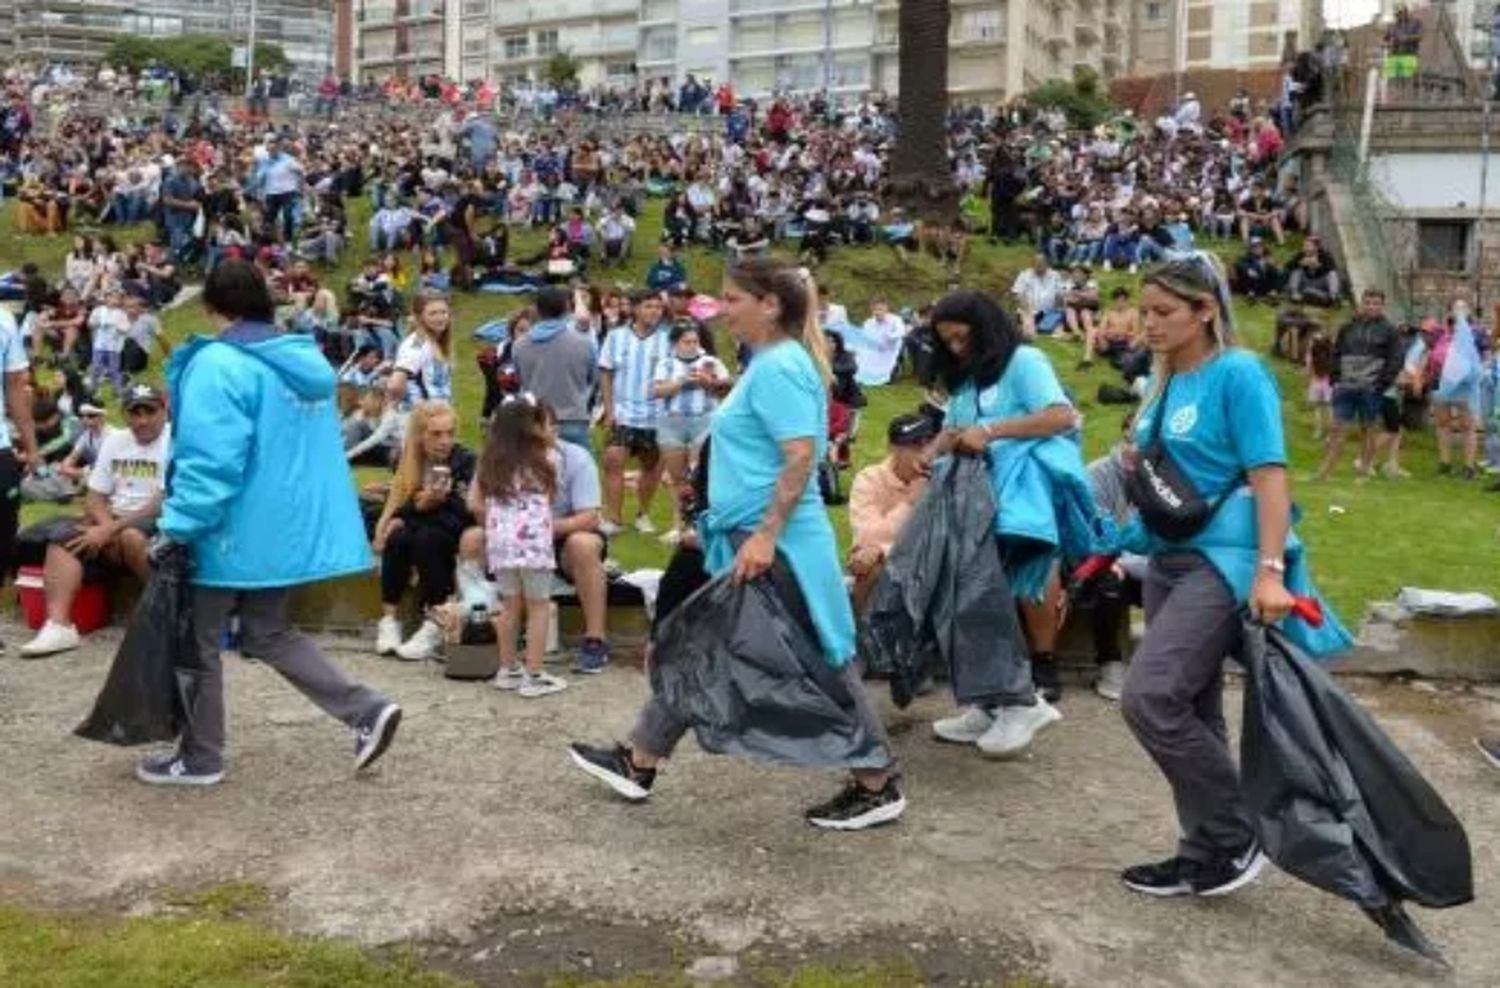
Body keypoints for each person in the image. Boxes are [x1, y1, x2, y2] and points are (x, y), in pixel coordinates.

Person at [568, 257, 906, 831]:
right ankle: (640, 759)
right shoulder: (771, 363)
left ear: (768, 305)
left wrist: (767, 536)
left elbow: (801, 457)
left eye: (731, 300)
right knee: (707, 642)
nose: (719, 311)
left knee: (822, 656)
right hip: (751, 538)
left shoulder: (779, 368)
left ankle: (876, 782)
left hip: (778, 547)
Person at [1116, 252, 1348, 897]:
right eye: (1145, 312)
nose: (1150, 324)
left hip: (1226, 560)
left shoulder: (1239, 374)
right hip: (1169, 558)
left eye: (1164, 312)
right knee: (1192, 705)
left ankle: (1239, 831)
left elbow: (1269, 474)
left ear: (1206, 311)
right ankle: (1206, 851)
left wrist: (1270, 572)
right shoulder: (1165, 383)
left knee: (1149, 698)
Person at [138, 259, 400, 786]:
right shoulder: (300, 362)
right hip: (284, 533)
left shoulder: (219, 363)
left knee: (198, 640)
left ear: (212, 307)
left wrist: (178, 527)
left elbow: (211, 459)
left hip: (228, 531)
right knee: (267, 630)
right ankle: (366, 710)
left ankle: (201, 757)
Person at [924, 290, 1083, 722]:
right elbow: (955, 427)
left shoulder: (1024, 363)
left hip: (1023, 494)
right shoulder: (967, 378)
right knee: (978, 587)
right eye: (948, 342)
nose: (956, 348)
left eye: (962, 338)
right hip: (974, 496)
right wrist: (932, 452)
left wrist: (992, 430)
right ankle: (990, 692)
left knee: (1033, 571)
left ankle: (1042, 665)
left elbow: (1060, 416)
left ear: (985, 329)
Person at [20, 385, 170, 658]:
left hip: (157, 520)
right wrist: (104, 526)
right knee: (63, 537)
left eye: (150, 411)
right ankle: (59, 625)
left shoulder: (176, 441)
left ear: (164, 410)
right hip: (112, 519)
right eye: (135, 412)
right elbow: (94, 496)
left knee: (131, 538)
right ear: (125, 414)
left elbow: (160, 502)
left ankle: (166, 615)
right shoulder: (115, 440)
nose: (142, 419)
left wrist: (109, 529)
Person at [468, 398, 568, 698]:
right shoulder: (548, 457)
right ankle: (535, 674)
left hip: (500, 542)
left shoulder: (489, 460)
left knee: (510, 605)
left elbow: (477, 500)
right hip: (533, 542)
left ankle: (507, 669)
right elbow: (550, 498)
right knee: (538, 607)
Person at [372, 402, 477, 661]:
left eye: (450, 433)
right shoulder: (410, 461)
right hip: (427, 525)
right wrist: (394, 521)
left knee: (426, 538)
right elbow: (401, 503)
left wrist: (421, 507)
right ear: (420, 436)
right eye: (436, 434)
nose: (445, 441)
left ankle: (435, 623)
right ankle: (389, 620)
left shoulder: (465, 460)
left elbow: (463, 514)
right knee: (399, 537)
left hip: (456, 531)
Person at [598, 291, 671, 535]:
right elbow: (606, 373)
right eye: (649, 306)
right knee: (613, 460)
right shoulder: (616, 336)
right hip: (624, 412)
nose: (655, 311)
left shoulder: (668, 339)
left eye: (658, 307)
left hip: (656, 414)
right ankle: (614, 519)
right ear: (635, 309)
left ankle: (642, 514)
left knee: (652, 465)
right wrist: (609, 410)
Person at [848, 413, 936, 614]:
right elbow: (867, 537)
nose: (925, 453)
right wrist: (909, 503)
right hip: (889, 558)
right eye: (915, 445)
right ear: (893, 448)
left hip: (929, 559)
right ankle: (861, 635)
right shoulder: (869, 479)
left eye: (929, 444)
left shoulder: (940, 477)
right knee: (866, 560)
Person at [651, 322, 729, 543]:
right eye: (686, 342)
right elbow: (656, 391)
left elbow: (725, 388)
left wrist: (707, 382)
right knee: (677, 478)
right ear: (675, 343)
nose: (692, 346)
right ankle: (678, 526)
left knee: (696, 476)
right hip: (671, 422)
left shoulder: (711, 362)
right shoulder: (665, 364)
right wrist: (682, 382)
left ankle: (697, 525)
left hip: (703, 420)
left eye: (695, 341)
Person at [1314, 289, 1403, 481]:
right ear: (1361, 304)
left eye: (1376, 303)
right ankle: (1324, 473)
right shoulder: (1348, 327)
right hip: (1345, 387)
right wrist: (1335, 377)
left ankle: (1363, 473)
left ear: (1382, 306)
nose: (1371, 306)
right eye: (1368, 302)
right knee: (1337, 428)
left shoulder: (1390, 331)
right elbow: (1336, 352)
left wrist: (1381, 384)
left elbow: (1396, 360)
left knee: (1369, 430)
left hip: (1371, 389)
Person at [512, 286, 597, 448]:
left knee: (538, 471)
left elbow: (520, 380)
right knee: (578, 470)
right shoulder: (584, 343)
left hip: (536, 419)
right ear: (567, 307)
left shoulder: (519, 345)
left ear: (536, 309)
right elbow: (592, 378)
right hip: (573, 418)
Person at [387, 291, 454, 409]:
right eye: (432, 313)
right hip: (421, 419)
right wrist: (420, 407)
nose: (440, 318)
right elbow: (395, 384)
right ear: (420, 316)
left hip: (437, 417)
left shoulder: (434, 341)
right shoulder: (418, 343)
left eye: (443, 312)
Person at [1082, 287, 1140, 368]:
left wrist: (1124, 334)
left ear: (1127, 301)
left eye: (1122, 301)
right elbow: (1102, 330)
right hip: (1109, 343)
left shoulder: (1133, 313)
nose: (1120, 303)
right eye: (1117, 301)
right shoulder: (1109, 313)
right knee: (1092, 330)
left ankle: (1125, 357)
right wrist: (1110, 333)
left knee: (1135, 339)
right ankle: (1087, 359)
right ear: (1114, 301)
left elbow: (1135, 332)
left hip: (1125, 343)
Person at [1011, 252, 1065, 339]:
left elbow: (1060, 294)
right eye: (1036, 262)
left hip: (1049, 311)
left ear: (1047, 263)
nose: (1038, 265)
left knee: (1058, 329)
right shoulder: (1024, 275)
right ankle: (1030, 329)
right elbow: (1018, 295)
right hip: (1029, 310)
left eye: (1041, 262)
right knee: (1029, 332)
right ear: (1032, 263)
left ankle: (1050, 327)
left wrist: (1056, 310)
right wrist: (1027, 310)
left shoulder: (1055, 275)